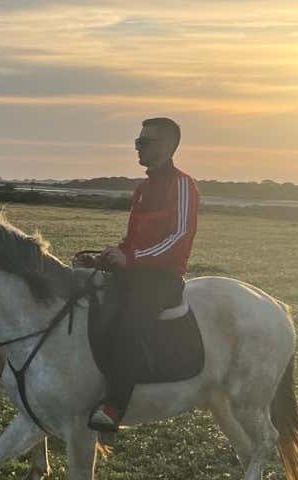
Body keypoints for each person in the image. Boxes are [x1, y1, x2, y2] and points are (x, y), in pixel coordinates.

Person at [75, 117, 200, 432]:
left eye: (144, 142)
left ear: (168, 146)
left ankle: (114, 405)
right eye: (137, 142)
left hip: (162, 279)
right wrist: (107, 257)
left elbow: (179, 237)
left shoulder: (182, 184)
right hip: (134, 271)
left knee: (129, 322)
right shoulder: (142, 188)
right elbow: (132, 241)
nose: (137, 148)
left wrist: (130, 257)